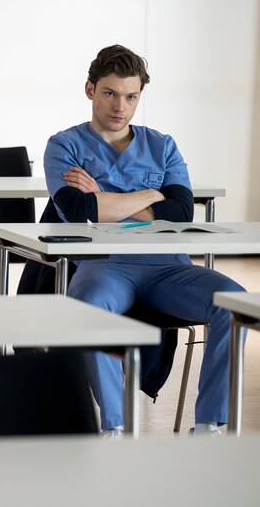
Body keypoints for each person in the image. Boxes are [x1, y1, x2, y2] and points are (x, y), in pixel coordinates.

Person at [43, 44, 245, 438]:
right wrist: (152, 196)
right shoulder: (64, 146)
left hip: (169, 267)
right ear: (90, 89)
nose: (120, 106)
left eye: (131, 96)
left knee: (235, 304)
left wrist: (105, 196)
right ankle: (114, 426)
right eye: (110, 93)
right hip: (104, 266)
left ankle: (208, 425)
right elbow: (78, 210)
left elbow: (181, 212)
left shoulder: (162, 145)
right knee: (88, 306)